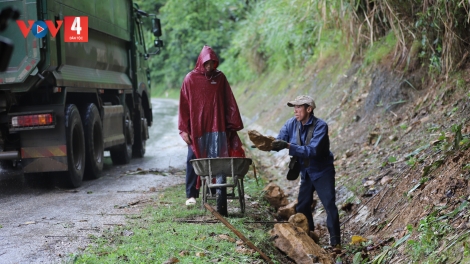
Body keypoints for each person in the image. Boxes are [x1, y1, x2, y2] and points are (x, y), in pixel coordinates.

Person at [178, 45, 245, 208]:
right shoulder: (190, 79)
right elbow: (184, 106)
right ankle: (191, 194)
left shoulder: (220, 78)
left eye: (212, 63)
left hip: (218, 128)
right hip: (197, 128)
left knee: (217, 158)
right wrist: (184, 129)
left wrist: (232, 125)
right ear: (201, 62)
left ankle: (216, 190)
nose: (209, 66)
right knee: (192, 159)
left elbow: (229, 101)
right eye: (207, 63)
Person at [271, 95, 341, 247]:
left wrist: (288, 146)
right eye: (294, 107)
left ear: (309, 109)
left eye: (299, 107)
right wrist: (269, 144)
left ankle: (336, 244)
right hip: (306, 172)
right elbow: (279, 139)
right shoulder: (291, 124)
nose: (295, 110)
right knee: (302, 206)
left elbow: (313, 150)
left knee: (329, 206)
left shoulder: (321, 126)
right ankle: (311, 236)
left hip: (323, 171)